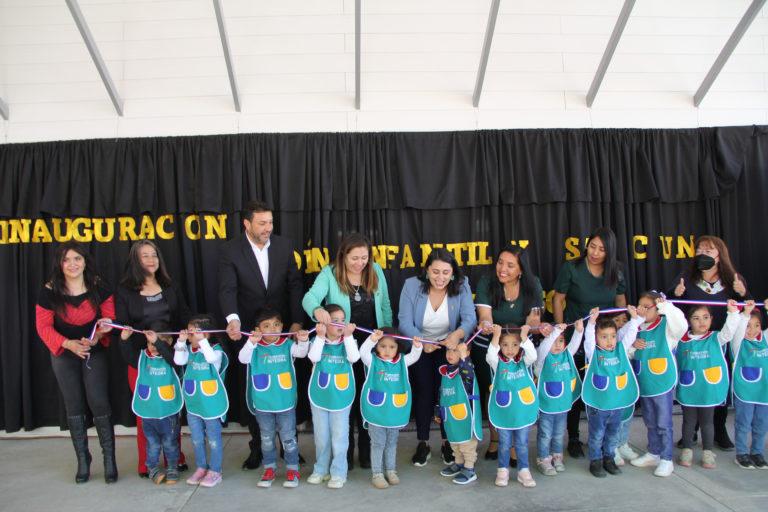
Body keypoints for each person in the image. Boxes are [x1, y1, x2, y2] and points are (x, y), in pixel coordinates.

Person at [219, 200, 305, 470]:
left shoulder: (284, 245)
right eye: (262, 223)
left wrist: (296, 322)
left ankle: (290, 448)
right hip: (251, 333)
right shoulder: (231, 250)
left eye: (270, 222)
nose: (268, 227)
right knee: (256, 391)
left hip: (281, 331)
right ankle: (258, 448)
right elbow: (227, 289)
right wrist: (233, 320)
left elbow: (294, 285)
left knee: (286, 387)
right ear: (247, 224)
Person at [302, 233, 392, 469]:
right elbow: (309, 298)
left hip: (372, 347)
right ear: (343, 256)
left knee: (368, 398)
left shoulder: (376, 270)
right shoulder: (329, 273)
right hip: (343, 348)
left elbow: (385, 306)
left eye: (364, 257)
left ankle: (365, 449)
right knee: (345, 400)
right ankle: (344, 453)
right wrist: (317, 311)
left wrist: (388, 338)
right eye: (354, 258)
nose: (360, 263)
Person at [35, 241, 117, 484]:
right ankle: (83, 460)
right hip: (64, 352)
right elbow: (43, 326)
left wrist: (97, 337)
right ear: (60, 265)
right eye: (66, 260)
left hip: (93, 350)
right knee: (74, 406)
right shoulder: (49, 290)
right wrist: (69, 344)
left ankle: (109, 459)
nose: (72, 264)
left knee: (99, 402)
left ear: (85, 262)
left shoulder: (99, 287)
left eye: (77, 259)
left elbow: (109, 320)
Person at [116, 239, 190, 477]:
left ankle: (175, 458)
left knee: (171, 411)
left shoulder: (170, 286)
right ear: (135, 262)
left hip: (168, 358)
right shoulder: (125, 290)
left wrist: (189, 331)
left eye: (154, 255)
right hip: (141, 360)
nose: (151, 260)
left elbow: (183, 315)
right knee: (145, 412)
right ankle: (146, 463)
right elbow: (122, 323)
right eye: (144, 256)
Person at [669, 235, 750, 451]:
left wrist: (743, 294)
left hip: (719, 340)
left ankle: (720, 429)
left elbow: (747, 310)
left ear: (719, 254)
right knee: (693, 382)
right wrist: (674, 294)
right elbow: (671, 308)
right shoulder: (686, 277)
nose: (703, 254)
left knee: (716, 382)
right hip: (693, 341)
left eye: (709, 250)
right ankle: (691, 430)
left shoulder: (733, 279)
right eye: (700, 250)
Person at [553, 227, 627, 459]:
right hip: (577, 337)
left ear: (610, 252)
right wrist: (560, 330)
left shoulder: (617, 271)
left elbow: (621, 304)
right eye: (592, 246)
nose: (594, 252)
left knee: (603, 387)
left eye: (601, 249)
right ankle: (573, 437)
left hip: (604, 341)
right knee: (574, 389)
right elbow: (557, 299)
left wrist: (622, 320)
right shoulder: (572, 268)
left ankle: (607, 439)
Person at [398, 248, 477, 467]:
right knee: (423, 393)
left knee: (447, 396)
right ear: (426, 270)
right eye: (435, 272)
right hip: (419, 345)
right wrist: (422, 342)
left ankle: (446, 443)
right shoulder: (411, 285)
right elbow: (404, 321)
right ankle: (422, 442)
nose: (440, 278)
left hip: (448, 347)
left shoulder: (461, 285)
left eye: (445, 272)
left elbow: (469, 319)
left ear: (453, 273)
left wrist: (457, 336)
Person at [474, 245, 544, 461]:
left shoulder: (533, 285)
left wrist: (533, 327)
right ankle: (496, 438)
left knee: (517, 393)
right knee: (494, 391)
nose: (502, 268)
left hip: (520, 350)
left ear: (521, 270)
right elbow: (484, 316)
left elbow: (534, 323)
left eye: (510, 265)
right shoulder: (487, 282)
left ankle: (514, 443)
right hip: (491, 347)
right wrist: (486, 324)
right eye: (500, 262)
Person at [239, 308, 310, 488]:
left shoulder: (286, 344)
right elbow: (242, 358)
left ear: (282, 327)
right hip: (263, 405)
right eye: (267, 326)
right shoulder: (255, 346)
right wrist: (250, 342)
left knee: (288, 438)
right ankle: (269, 468)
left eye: (276, 325)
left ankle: (292, 469)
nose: (272, 329)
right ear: (258, 329)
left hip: (285, 403)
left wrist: (303, 340)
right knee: (267, 439)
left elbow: (301, 353)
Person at [628, 293, 687, 477]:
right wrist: (633, 345)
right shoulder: (635, 327)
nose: (642, 309)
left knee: (663, 423)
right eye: (640, 305)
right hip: (645, 383)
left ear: (658, 308)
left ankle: (666, 459)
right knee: (650, 421)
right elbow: (626, 352)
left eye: (647, 306)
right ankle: (654, 452)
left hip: (662, 383)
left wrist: (667, 307)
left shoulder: (667, 327)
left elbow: (682, 327)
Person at [676, 302, 739, 469]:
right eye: (696, 318)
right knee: (688, 422)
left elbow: (730, 331)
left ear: (711, 319)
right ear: (688, 321)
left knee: (707, 422)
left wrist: (733, 313)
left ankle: (707, 452)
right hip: (689, 388)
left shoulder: (716, 338)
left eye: (705, 317)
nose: (701, 322)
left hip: (708, 390)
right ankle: (687, 450)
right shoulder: (680, 340)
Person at [582, 307, 642, 478]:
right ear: (596, 338)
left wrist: (635, 318)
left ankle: (609, 459)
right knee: (597, 435)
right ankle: (596, 461)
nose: (609, 341)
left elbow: (630, 335)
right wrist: (591, 323)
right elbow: (588, 340)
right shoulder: (593, 353)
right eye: (604, 337)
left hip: (617, 405)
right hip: (598, 405)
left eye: (613, 336)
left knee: (613, 434)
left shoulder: (620, 350)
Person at [359, 328, 423, 489]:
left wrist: (417, 346)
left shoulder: (402, 361)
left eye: (392, 347)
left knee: (392, 443)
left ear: (398, 347)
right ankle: (377, 473)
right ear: (377, 347)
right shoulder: (372, 361)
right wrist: (372, 339)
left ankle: (391, 470)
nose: (387, 350)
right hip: (376, 411)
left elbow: (414, 356)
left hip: (394, 412)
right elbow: (362, 351)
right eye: (383, 346)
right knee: (378, 443)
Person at [306, 305, 360, 489]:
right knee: (321, 437)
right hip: (320, 397)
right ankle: (321, 469)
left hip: (341, 398)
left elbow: (354, 358)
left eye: (342, 320)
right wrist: (320, 337)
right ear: (323, 323)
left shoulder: (348, 341)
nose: (340, 324)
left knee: (340, 437)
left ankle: (338, 472)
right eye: (334, 320)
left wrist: (349, 336)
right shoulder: (317, 340)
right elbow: (313, 357)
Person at [174, 315, 229, 488]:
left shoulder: (216, 351)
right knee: (197, 439)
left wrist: (202, 341)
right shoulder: (188, 349)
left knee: (213, 439)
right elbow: (178, 361)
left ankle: (215, 470)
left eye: (195, 333)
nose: (192, 337)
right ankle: (201, 467)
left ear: (208, 334)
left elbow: (212, 359)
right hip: (194, 404)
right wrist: (181, 343)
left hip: (211, 405)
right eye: (190, 333)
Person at [125, 324, 183, 485]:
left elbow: (172, 358)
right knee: (152, 445)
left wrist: (157, 342)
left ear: (170, 342)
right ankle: (152, 468)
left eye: (159, 342)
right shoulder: (142, 358)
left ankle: (172, 467)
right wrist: (124, 340)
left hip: (168, 412)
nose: (154, 346)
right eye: (150, 342)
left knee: (170, 443)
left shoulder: (174, 358)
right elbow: (126, 355)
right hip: (148, 413)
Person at [487, 324, 538, 488]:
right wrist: (496, 335)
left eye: (515, 344)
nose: (510, 349)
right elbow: (490, 356)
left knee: (522, 443)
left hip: (522, 411)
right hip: (504, 412)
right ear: (500, 346)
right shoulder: (497, 363)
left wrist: (524, 336)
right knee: (504, 444)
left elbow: (533, 355)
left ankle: (524, 471)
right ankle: (503, 470)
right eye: (505, 345)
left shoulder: (524, 361)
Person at [535, 321, 584, 476]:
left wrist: (579, 331)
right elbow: (544, 347)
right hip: (546, 406)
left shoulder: (567, 355)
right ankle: (543, 459)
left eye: (561, 341)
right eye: (554, 341)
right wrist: (555, 332)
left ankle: (557, 456)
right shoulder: (541, 359)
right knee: (545, 434)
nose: (557, 345)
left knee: (558, 434)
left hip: (562, 406)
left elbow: (575, 344)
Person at [730, 300, 768, 469]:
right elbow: (739, 330)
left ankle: (757, 452)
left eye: (757, 325)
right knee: (743, 422)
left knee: (761, 423)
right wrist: (745, 313)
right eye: (748, 326)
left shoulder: (765, 339)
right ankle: (742, 453)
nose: (752, 330)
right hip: (745, 390)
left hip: (763, 391)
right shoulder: (738, 343)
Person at [438, 342, 482, 485]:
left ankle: (469, 468)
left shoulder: (466, 371)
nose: (450, 354)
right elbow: (442, 393)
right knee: (454, 442)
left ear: (465, 353)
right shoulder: (446, 371)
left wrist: (464, 356)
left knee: (466, 445)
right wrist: (438, 410)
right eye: (448, 350)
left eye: (456, 351)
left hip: (465, 417)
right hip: (450, 416)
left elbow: (467, 371)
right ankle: (459, 463)